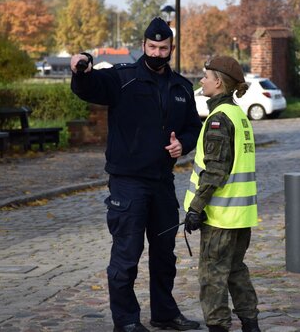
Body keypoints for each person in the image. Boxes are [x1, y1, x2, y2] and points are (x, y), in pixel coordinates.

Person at [70, 17, 202, 332]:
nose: (157, 53)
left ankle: (165, 314)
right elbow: (89, 87)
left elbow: (193, 129)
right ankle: (127, 321)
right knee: (126, 256)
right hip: (127, 183)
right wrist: (82, 66)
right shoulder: (121, 79)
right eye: (152, 47)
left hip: (162, 183)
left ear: (171, 48)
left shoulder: (182, 86)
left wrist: (182, 144)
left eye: (164, 48)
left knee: (164, 256)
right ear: (143, 46)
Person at [183, 56, 261, 332]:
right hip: (241, 216)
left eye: (205, 76)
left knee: (213, 276)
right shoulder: (238, 115)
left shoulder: (218, 119)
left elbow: (216, 171)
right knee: (236, 271)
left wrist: (195, 207)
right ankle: (251, 325)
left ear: (218, 81)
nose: (201, 81)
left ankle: (218, 327)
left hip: (220, 217)